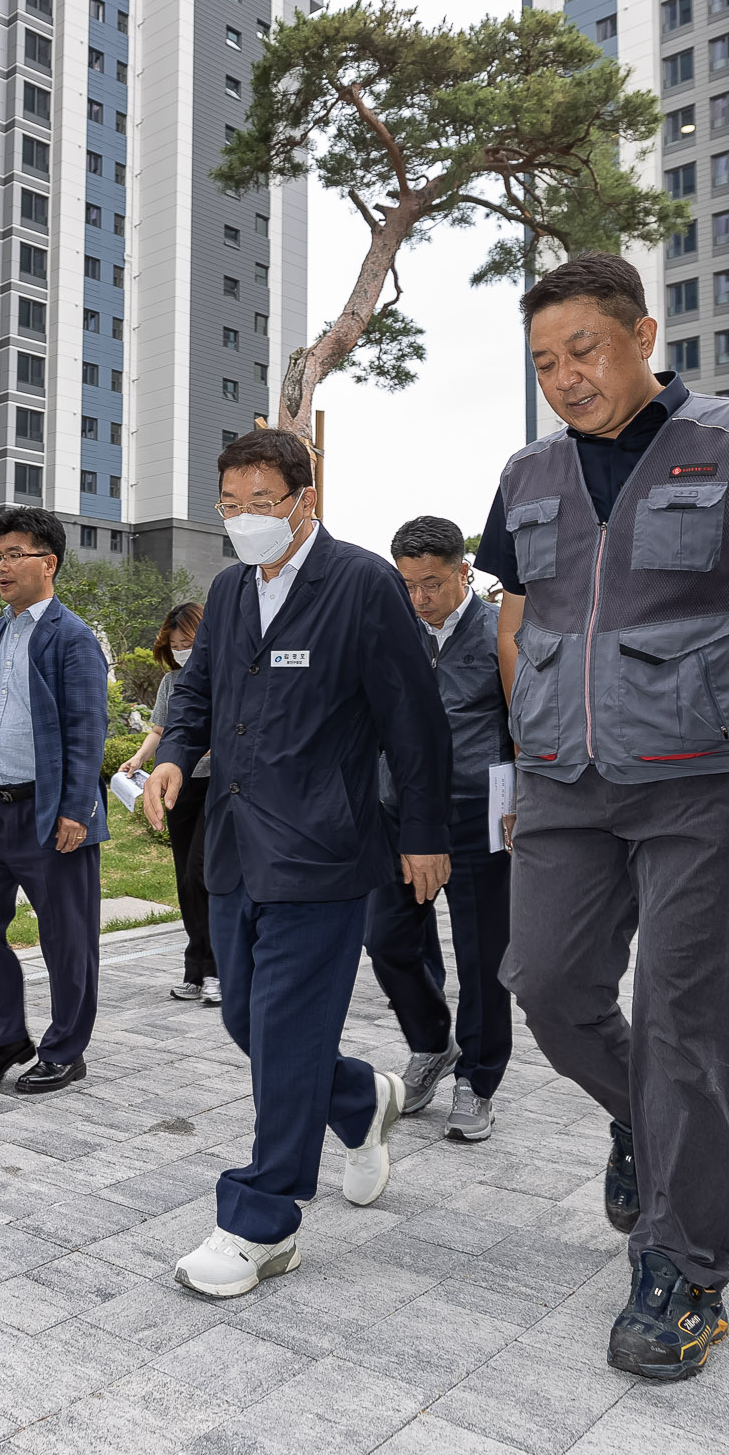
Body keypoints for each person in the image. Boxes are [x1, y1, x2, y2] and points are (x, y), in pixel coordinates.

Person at [479, 252, 729, 1383]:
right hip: (564, 780)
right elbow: (516, 618)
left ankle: (683, 1269)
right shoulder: (526, 471)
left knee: (685, 1020)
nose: (565, 379)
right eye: (544, 362)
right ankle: (642, 1120)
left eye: (583, 352)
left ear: (643, 335)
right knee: (542, 985)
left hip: (708, 780)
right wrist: (533, 742)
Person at [143, 428, 452, 1299]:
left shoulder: (360, 585)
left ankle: (263, 1220)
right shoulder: (231, 589)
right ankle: (360, 1101)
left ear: (303, 501)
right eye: (230, 504)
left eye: (261, 503)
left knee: (280, 1033)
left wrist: (424, 834)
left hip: (324, 850)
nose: (244, 520)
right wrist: (174, 750)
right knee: (248, 1019)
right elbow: (198, 690)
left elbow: (413, 719)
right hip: (237, 846)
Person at [0, 507, 112, 1096]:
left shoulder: (73, 639)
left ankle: (66, 1050)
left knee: (66, 937)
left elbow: (88, 730)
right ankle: (7, 1036)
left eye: (15, 554)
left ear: (50, 562)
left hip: (51, 813)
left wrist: (76, 809)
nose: (2, 566)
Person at [363, 514, 516, 1143]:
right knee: (389, 941)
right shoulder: (389, 631)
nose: (419, 598)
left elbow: (525, 721)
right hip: (397, 812)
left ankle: (478, 1079)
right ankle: (432, 1043)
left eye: (431, 583)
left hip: (477, 813)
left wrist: (521, 799)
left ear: (464, 570)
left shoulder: (500, 631)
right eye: (408, 585)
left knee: (484, 956)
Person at [119, 602, 219, 1005]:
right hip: (181, 787)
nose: (181, 650)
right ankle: (195, 969)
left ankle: (217, 970)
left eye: (188, 642)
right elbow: (160, 729)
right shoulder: (172, 683)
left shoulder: (224, 676)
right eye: (175, 643)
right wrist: (139, 759)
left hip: (218, 785)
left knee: (202, 875)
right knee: (184, 881)